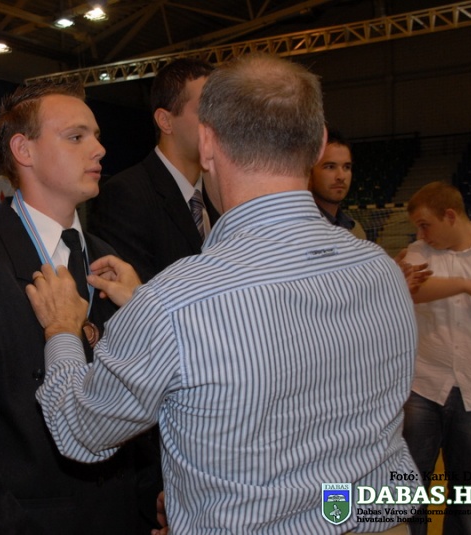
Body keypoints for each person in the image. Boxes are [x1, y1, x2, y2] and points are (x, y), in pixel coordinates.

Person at [26, 54, 420, 534]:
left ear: (207, 144)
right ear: (319, 144)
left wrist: (62, 330)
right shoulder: (381, 270)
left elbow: (80, 430)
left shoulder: (175, 304)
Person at [0, 79, 140, 534]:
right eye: (76, 137)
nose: (99, 149)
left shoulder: (110, 262)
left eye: (97, 135)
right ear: (24, 150)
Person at [400, 181, 471, 535]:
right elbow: (415, 290)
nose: (421, 235)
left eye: (425, 225)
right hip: (424, 387)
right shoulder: (419, 252)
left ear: (450, 215)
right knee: (408, 485)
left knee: (470, 495)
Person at [88, 57, 220, 283]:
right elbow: (135, 295)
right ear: (165, 121)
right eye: (206, 110)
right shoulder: (125, 195)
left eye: (222, 110)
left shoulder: (218, 194)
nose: (220, 121)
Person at [308, 128, 367, 239]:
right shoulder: (299, 230)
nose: (341, 176)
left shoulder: (356, 230)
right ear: (308, 172)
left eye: (346, 167)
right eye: (330, 167)